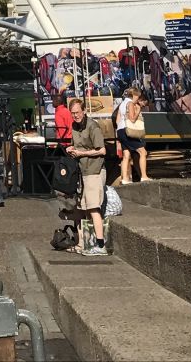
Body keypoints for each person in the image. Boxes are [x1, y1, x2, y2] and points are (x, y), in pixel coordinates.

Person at [67, 96, 108, 255]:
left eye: (77, 112)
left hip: (94, 170)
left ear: (83, 111)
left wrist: (82, 153)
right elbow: (76, 145)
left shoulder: (93, 126)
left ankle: (100, 244)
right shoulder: (74, 126)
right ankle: (82, 243)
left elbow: (102, 150)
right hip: (82, 171)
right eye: (73, 113)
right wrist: (72, 149)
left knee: (93, 207)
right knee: (81, 208)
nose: (75, 116)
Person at [117, 87, 151, 184]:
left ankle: (125, 179)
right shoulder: (130, 103)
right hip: (127, 131)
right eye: (138, 96)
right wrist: (138, 112)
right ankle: (144, 176)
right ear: (135, 95)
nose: (138, 99)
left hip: (120, 130)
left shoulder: (122, 104)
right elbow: (132, 119)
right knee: (143, 152)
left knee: (126, 155)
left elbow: (117, 120)